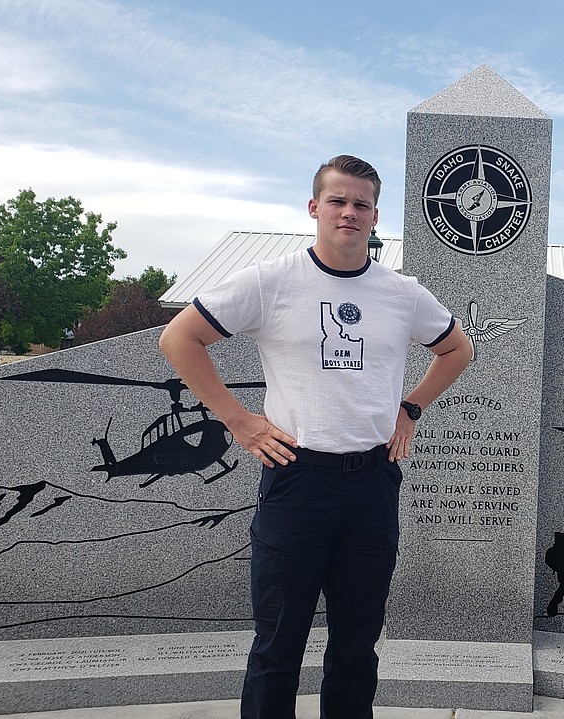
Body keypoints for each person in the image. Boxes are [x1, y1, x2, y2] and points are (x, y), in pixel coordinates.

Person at [159, 154, 472, 719]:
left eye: (361, 204)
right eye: (337, 201)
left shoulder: (401, 293)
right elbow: (180, 338)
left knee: (356, 646)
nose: (349, 212)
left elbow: (457, 349)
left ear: (376, 216)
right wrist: (239, 420)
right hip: (297, 481)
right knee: (279, 644)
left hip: (373, 483)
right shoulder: (270, 281)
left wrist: (410, 409)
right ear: (314, 208)